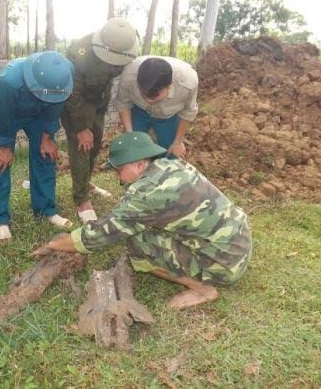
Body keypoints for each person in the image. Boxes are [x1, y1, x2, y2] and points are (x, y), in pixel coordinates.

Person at [32, 132, 252, 309]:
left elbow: (100, 235)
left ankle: (202, 289)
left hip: (222, 265)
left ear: (139, 164)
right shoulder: (172, 165)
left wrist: (53, 244)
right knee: (140, 228)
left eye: (119, 170)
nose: (117, 178)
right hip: (238, 244)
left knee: (137, 242)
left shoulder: (146, 194)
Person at [0, 51, 74, 243]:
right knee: (1, 162)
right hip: (8, 113)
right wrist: (5, 145)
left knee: (46, 156)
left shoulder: (65, 73)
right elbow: (3, 115)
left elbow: (57, 105)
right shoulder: (10, 81)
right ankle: (1, 220)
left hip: (40, 116)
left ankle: (46, 210)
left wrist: (46, 137)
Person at [62, 17, 139, 224]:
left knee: (94, 145)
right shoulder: (80, 55)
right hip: (77, 103)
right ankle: (81, 198)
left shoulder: (126, 43)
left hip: (98, 102)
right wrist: (80, 128)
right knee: (82, 147)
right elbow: (72, 94)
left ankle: (86, 183)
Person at [116, 56, 198, 158]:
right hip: (139, 110)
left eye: (155, 97)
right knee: (132, 150)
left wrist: (178, 142)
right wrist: (129, 134)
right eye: (144, 95)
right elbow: (123, 103)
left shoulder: (188, 83)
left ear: (170, 85)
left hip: (168, 117)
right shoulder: (129, 76)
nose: (149, 101)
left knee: (171, 154)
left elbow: (188, 112)